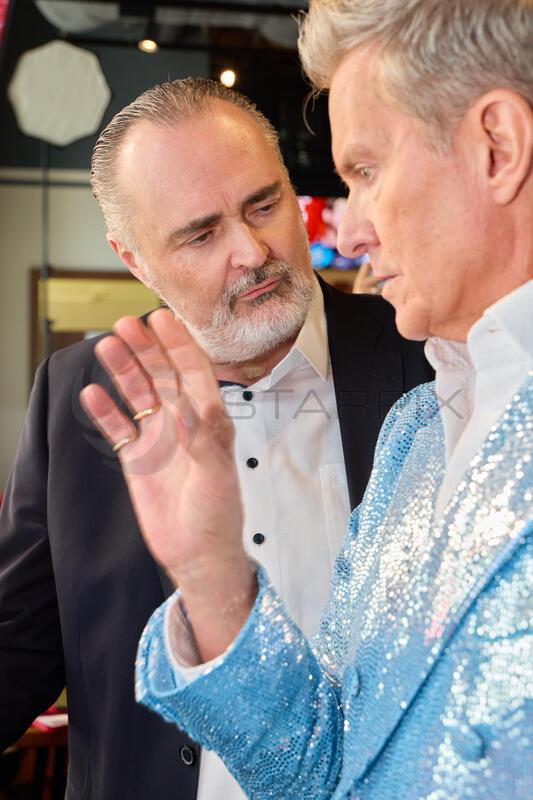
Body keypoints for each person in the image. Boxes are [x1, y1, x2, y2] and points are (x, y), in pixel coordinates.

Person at [81, 2, 532, 798]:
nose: (347, 230)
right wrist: (214, 572)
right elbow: (323, 768)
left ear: (496, 146)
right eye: (197, 233)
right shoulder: (418, 432)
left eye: (363, 172)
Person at [0, 79, 431, 800]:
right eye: (201, 233)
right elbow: (19, 646)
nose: (251, 250)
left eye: (264, 205)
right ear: (133, 258)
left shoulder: (425, 361)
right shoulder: (80, 397)